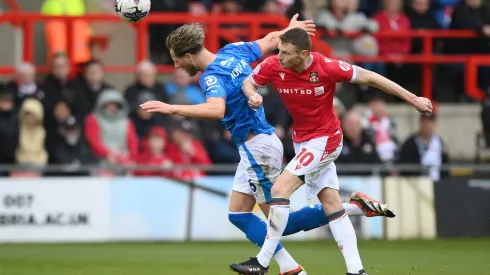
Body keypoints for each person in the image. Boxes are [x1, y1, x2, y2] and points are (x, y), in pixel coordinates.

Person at [141, 17, 394, 275]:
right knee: (238, 215)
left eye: (176, 61)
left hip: (257, 148)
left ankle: (351, 209)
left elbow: (215, 109)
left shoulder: (211, 78)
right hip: (254, 146)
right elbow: (271, 41)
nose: (177, 66)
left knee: (279, 222)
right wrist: (289, 31)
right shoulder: (233, 50)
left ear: (188, 55)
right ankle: (289, 266)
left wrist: (169, 108)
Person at [231, 28, 432, 275]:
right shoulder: (273, 65)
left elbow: (371, 77)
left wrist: (413, 99)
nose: (279, 56)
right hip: (302, 141)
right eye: (279, 50)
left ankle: (262, 262)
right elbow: (248, 82)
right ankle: (356, 270)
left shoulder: (327, 67)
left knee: (279, 190)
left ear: (304, 54)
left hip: (326, 140)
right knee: (331, 204)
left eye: (286, 52)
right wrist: (253, 95)